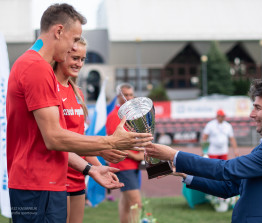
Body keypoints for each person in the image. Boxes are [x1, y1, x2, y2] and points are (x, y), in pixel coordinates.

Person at [6, 4, 152, 223]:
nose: (73, 48)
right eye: (74, 39)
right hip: (37, 185)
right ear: (58, 31)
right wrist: (111, 143)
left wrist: (90, 169)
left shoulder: (34, 65)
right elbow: (55, 138)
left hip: (42, 184)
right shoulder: (36, 67)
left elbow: (48, 139)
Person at [145, 75, 262, 223]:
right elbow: (229, 187)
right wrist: (184, 174)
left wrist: (174, 155)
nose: (251, 114)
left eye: (257, 108)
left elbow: (226, 169)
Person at [54, 37, 127, 223]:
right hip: (56, 178)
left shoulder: (77, 92)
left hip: (78, 176)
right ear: (62, 55)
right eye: (75, 57)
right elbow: (57, 140)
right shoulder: (50, 89)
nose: (79, 63)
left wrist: (100, 168)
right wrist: (91, 167)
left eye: (82, 59)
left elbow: (81, 140)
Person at [106, 83, 144, 223]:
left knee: (126, 202)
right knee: (136, 204)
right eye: (125, 95)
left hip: (132, 165)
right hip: (123, 164)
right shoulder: (114, 116)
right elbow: (112, 143)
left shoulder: (133, 116)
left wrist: (141, 151)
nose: (128, 98)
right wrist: (135, 155)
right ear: (118, 97)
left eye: (130, 95)